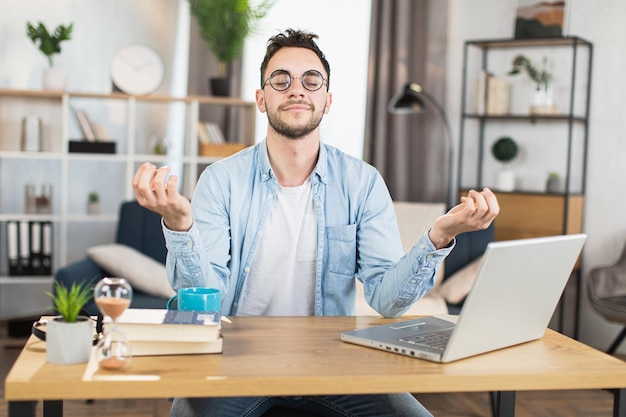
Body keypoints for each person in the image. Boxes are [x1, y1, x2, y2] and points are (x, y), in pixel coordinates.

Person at [133, 28, 499, 417]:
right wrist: (179, 226)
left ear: (327, 100)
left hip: (334, 364)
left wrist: (439, 237)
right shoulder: (220, 180)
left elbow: (387, 301)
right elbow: (206, 302)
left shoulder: (363, 182)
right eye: (281, 80)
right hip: (235, 361)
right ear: (261, 98)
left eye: (311, 80)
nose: (296, 90)